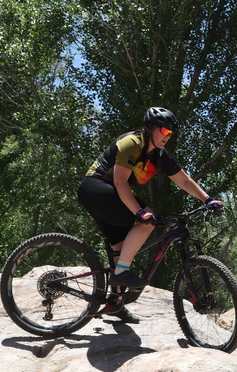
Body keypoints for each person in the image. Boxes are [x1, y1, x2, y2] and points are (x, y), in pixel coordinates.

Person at [77, 106, 222, 323]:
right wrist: (139, 212)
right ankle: (120, 273)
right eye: (164, 132)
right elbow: (119, 182)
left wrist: (207, 199)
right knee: (146, 221)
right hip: (95, 188)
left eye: (170, 134)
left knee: (121, 249)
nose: (167, 137)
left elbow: (184, 180)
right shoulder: (131, 143)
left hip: (111, 194)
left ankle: (115, 303)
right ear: (151, 128)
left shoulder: (160, 155)